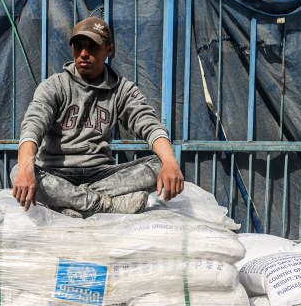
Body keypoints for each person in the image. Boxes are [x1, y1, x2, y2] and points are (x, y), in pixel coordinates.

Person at [11, 16, 184, 216]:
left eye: (92, 47)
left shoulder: (122, 89)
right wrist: (26, 169)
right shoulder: (55, 86)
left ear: (109, 50)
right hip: (57, 172)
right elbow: (33, 126)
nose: (83, 54)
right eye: (78, 47)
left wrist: (171, 164)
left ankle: (70, 203)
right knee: (18, 170)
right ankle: (102, 205)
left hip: (102, 175)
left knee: (161, 164)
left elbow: (149, 124)